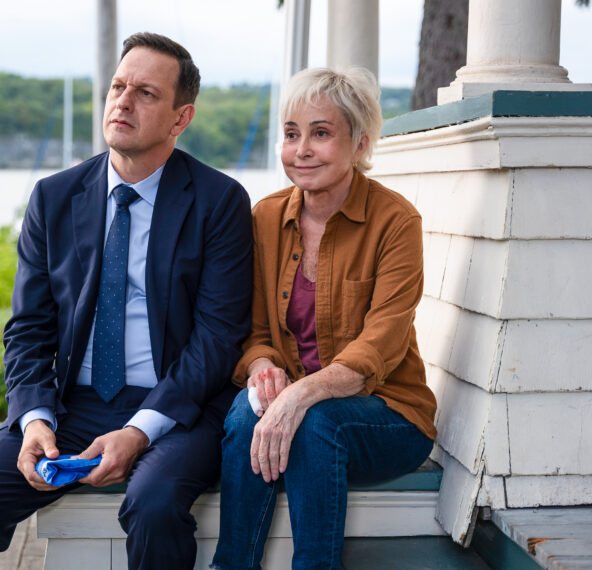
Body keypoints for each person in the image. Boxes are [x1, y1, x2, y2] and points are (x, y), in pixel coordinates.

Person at [0, 32, 253, 570]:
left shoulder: (220, 202)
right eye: (118, 87)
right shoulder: (53, 198)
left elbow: (216, 340)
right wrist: (33, 419)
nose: (123, 101)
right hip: (72, 407)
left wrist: (138, 430)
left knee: (153, 506)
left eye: (146, 93)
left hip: (177, 407)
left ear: (180, 118)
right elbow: (29, 327)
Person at [211, 67, 438, 569]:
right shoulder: (265, 218)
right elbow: (253, 331)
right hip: (297, 401)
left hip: (389, 412)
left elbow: (382, 340)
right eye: (292, 134)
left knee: (314, 421)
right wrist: (262, 370)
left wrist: (300, 393)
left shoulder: (396, 222)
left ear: (359, 144)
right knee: (246, 412)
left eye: (321, 133)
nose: (302, 149)